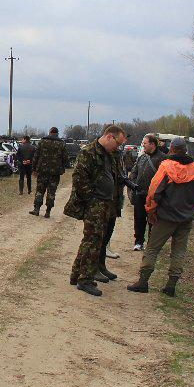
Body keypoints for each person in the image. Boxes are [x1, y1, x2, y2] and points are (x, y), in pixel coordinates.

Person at [127, 137, 194, 297]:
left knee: (152, 249)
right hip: (185, 219)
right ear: (185, 150)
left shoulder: (166, 166)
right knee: (179, 252)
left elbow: (153, 192)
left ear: (171, 149)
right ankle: (171, 286)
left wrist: (151, 211)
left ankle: (143, 282)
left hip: (165, 217)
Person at [64, 124, 127, 296]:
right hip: (95, 204)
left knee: (91, 240)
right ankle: (85, 280)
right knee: (93, 242)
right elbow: (79, 179)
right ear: (109, 137)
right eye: (117, 143)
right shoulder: (89, 152)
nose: (118, 147)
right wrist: (92, 199)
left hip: (105, 203)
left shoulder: (109, 154)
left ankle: (76, 275)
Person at [130, 134, 167, 251]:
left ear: (152, 144)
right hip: (140, 195)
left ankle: (151, 244)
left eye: (145, 143)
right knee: (139, 219)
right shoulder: (142, 158)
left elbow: (165, 178)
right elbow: (134, 173)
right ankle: (138, 242)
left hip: (154, 197)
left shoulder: (163, 159)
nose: (143, 146)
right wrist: (134, 185)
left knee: (153, 221)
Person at [30, 127, 69, 218]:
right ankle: (48, 212)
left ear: (50, 132)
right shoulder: (61, 144)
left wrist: (34, 169)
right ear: (57, 133)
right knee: (51, 192)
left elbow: (36, 156)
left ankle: (36, 209)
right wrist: (62, 168)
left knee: (40, 190)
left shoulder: (42, 142)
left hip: (42, 171)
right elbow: (65, 158)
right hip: (55, 173)